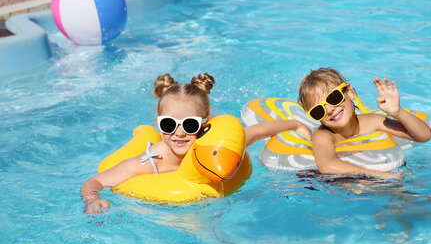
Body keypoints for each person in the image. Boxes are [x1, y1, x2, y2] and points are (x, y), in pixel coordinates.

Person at [81, 73, 311, 214]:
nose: (179, 133)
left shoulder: (218, 149)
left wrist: (294, 125)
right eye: (169, 125)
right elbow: (95, 181)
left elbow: (257, 132)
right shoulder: (153, 161)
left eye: (189, 125)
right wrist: (93, 201)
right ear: (158, 123)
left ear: (205, 124)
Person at [298, 68, 431, 179]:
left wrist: (397, 112)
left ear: (349, 92)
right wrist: (383, 176)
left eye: (333, 98)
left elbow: (424, 136)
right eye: (318, 111)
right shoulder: (323, 136)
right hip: (342, 183)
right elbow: (327, 166)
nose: (329, 110)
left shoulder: (373, 121)